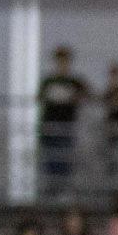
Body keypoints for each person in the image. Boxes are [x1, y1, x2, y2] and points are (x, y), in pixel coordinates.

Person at [36, 45, 91, 194]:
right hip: (50, 126)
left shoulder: (74, 82)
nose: (62, 64)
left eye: (65, 61)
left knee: (65, 159)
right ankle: (52, 189)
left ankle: (63, 190)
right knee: (51, 160)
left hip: (67, 127)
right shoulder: (49, 81)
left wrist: (73, 96)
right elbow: (39, 98)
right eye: (60, 61)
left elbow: (88, 95)